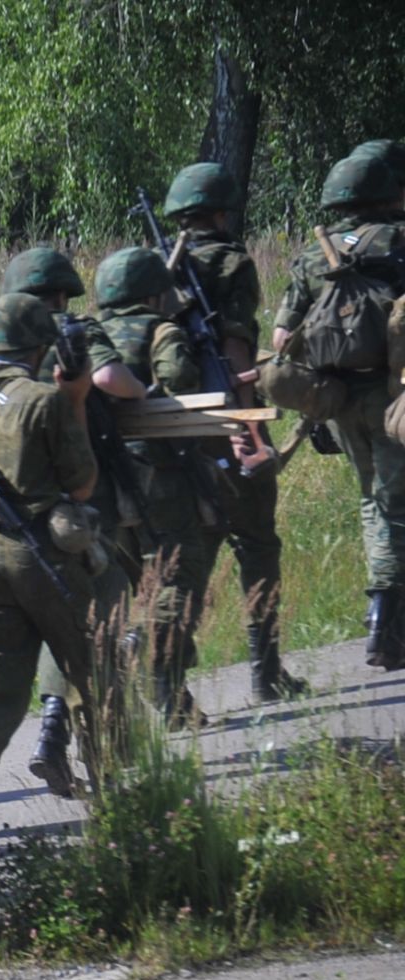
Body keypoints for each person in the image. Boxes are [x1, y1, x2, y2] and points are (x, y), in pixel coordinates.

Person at [0, 295, 100, 864]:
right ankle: (115, 796)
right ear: (38, 348)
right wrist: (75, 399)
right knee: (91, 668)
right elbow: (80, 485)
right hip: (41, 554)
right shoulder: (44, 401)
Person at [162, 161, 310, 704]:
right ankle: (266, 672)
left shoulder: (158, 267)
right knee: (256, 544)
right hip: (224, 418)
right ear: (221, 212)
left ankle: (170, 684)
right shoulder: (230, 261)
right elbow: (236, 347)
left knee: (188, 557)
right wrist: (248, 428)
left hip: (169, 429)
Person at [2, 247, 144, 795]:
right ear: (64, 291)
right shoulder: (72, 330)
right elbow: (109, 377)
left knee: (55, 615)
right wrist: (145, 393)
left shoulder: (6, 343)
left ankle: (52, 732)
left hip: (25, 500)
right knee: (101, 617)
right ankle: (92, 753)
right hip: (84, 497)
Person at [272, 153, 405, 669]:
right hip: (394, 395)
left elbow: (283, 338)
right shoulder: (398, 244)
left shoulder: (314, 254)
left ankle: (383, 618)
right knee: (394, 504)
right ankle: (386, 622)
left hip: (339, 401)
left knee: (376, 500)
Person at [93, 245, 215, 719]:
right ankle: (161, 679)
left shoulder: (92, 334)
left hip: (102, 479)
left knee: (136, 579)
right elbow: (180, 380)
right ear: (152, 293)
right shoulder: (161, 329)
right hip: (156, 473)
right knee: (176, 575)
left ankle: (166, 685)